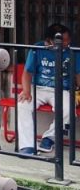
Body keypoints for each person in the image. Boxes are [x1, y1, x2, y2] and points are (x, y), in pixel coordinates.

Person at [17, 22, 80, 156]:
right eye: (64, 40)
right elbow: (27, 73)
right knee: (22, 105)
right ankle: (27, 146)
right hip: (38, 88)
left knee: (68, 110)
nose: (68, 42)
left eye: (68, 39)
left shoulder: (72, 51)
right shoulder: (37, 48)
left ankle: (49, 138)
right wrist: (27, 91)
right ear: (50, 40)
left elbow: (78, 74)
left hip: (62, 89)